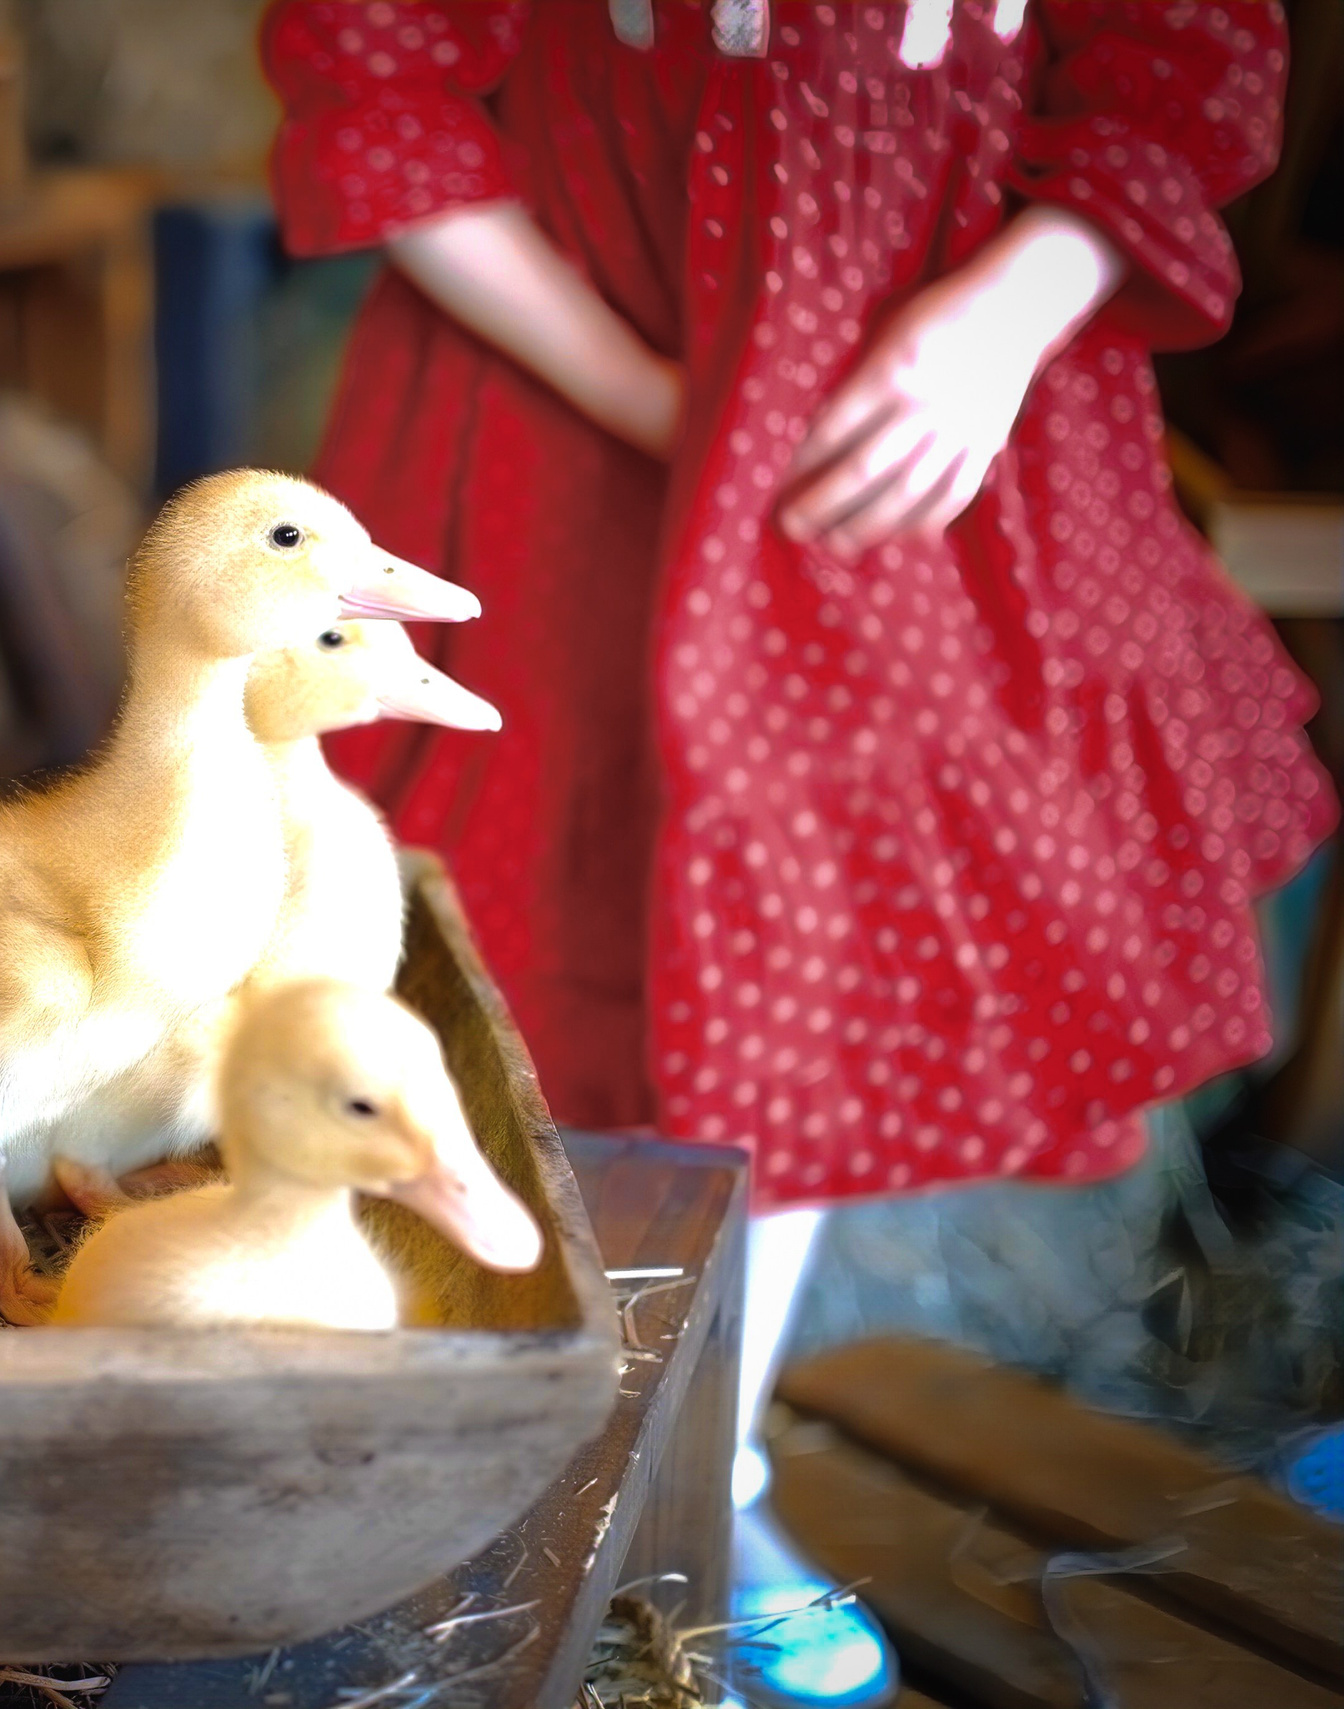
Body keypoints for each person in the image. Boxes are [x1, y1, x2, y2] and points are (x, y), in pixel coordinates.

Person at [260, 4, 1330, 1706]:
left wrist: (1002, 316)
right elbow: (372, 77)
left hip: (913, 458)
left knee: (808, 1000)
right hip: (565, 418)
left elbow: (1177, 67)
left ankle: (693, 1495)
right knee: (513, 964)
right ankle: (488, 1478)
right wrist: (664, 398)